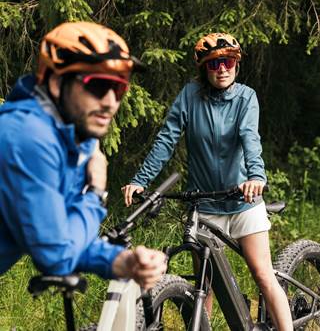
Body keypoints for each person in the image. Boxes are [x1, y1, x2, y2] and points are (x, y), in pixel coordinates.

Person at [121, 33, 293, 329]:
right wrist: (140, 180)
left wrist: (256, 176)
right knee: (205, 285)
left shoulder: (246, 97)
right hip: (204, 205)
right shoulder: (189, 95)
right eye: (214, 64)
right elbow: (166, 140)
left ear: (236, 64)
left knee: (263, 275)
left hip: (243, 202)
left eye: (227, 61)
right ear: (204, 69)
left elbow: (250, 138)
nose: (222, 69)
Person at [0, 21, 166, 290]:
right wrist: (96, 192)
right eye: (98, 85)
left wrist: (122, 261)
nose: (111, 102)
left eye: (120, 88)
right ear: (56, 82)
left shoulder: (72, 137)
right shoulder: (28, 136)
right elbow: (56, 258)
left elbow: (65, 237)